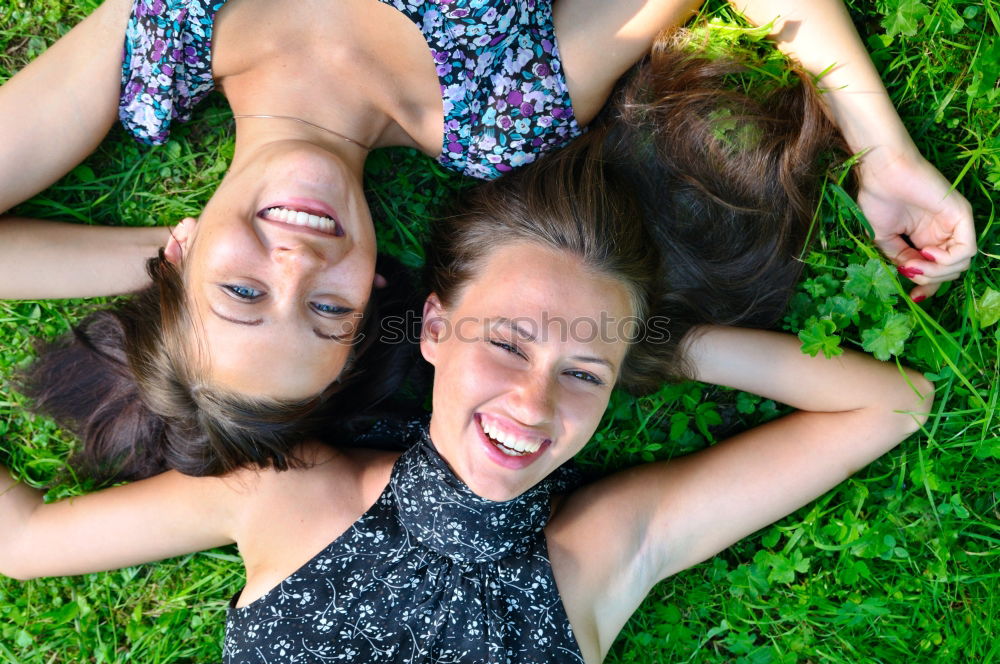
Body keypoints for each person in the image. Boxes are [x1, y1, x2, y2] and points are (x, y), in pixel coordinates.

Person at [0, 131, 934, 663]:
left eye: (582, 376)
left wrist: (649, 342)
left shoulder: (603, 555)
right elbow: (25, 542)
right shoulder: (283, 491)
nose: (534, 403)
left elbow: (891, 405)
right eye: (508, 342)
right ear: (435, 329)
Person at [0, 0, 969, 474]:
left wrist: (185, 231)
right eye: (330, 308)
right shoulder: (494, 109)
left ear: (177, 252)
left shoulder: (159, 50)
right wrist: (878, 150)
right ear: (379, 281)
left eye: (242, 292)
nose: (295, 263)